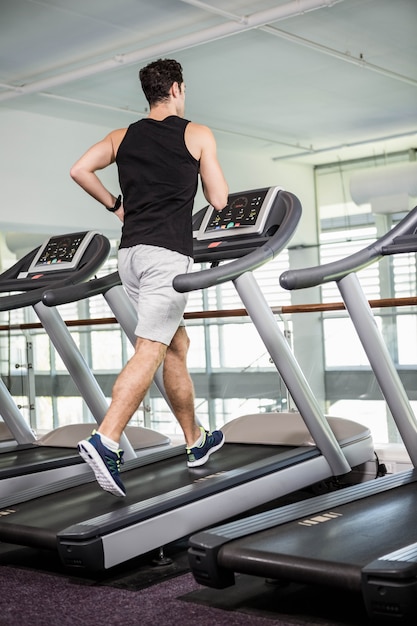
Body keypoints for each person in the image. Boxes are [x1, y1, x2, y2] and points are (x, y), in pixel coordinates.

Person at [70, 58, 229, 497]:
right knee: (151, 349)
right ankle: (106, 439)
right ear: (177, 88)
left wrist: (115, 205)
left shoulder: (122, 137)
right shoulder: (196, 133)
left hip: (132, 254)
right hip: (166, 256)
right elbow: (218, 199)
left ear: (149, 93)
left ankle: (195, 441)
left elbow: (79, 169)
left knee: (176, 346)